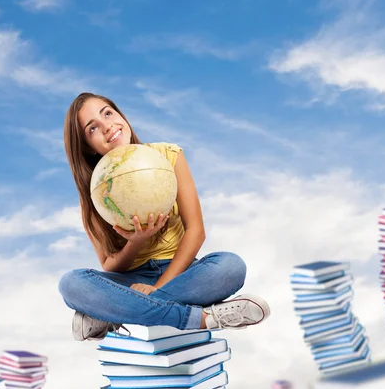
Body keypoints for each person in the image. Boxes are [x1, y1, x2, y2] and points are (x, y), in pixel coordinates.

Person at [58, 93, 271, 341]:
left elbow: (196, 231)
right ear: (87, 146)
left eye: (107, 113)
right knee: (71, 284)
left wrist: (158, 288)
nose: (107, 127)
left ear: (120, 114)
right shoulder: (95, 191)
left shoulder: (168, 156)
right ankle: (204, 318)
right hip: (132, 279)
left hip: (183, 272)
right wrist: (136, 241)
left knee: (231, 266)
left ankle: (111, 313)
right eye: (92, 128)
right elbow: (110, 265)